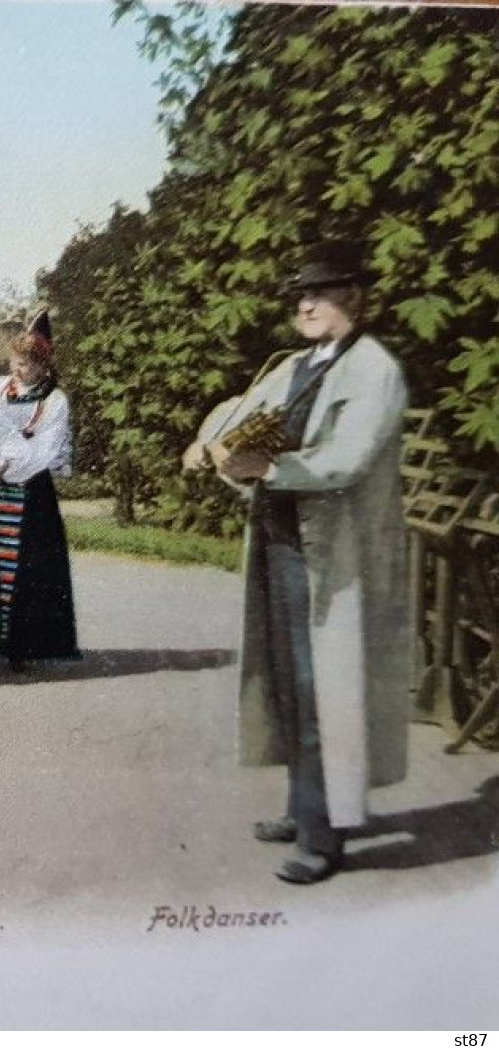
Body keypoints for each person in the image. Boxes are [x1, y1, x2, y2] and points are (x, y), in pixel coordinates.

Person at [185, 241, 411, 885]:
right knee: (288, 680)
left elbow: (347, 459)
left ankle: (323, 836)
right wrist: (210, 442)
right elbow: (243, 412)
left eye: (326, 291)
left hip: (335, 553)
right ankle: (303, 808)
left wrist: (268, 466)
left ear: (355, 301)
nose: (308, 302)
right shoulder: (298, 363)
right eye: (301, 294)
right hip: (283, 537)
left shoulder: (373, 370)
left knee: (323, 688)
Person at [0, 310, 80, 667]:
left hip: (29, 489)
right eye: (15, 361)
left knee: (25, 569)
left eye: (26, 363)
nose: (18, 369)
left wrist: (7, 465)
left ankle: (22, 644)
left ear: (42, 365)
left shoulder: (54, 401)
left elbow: (45, 450)